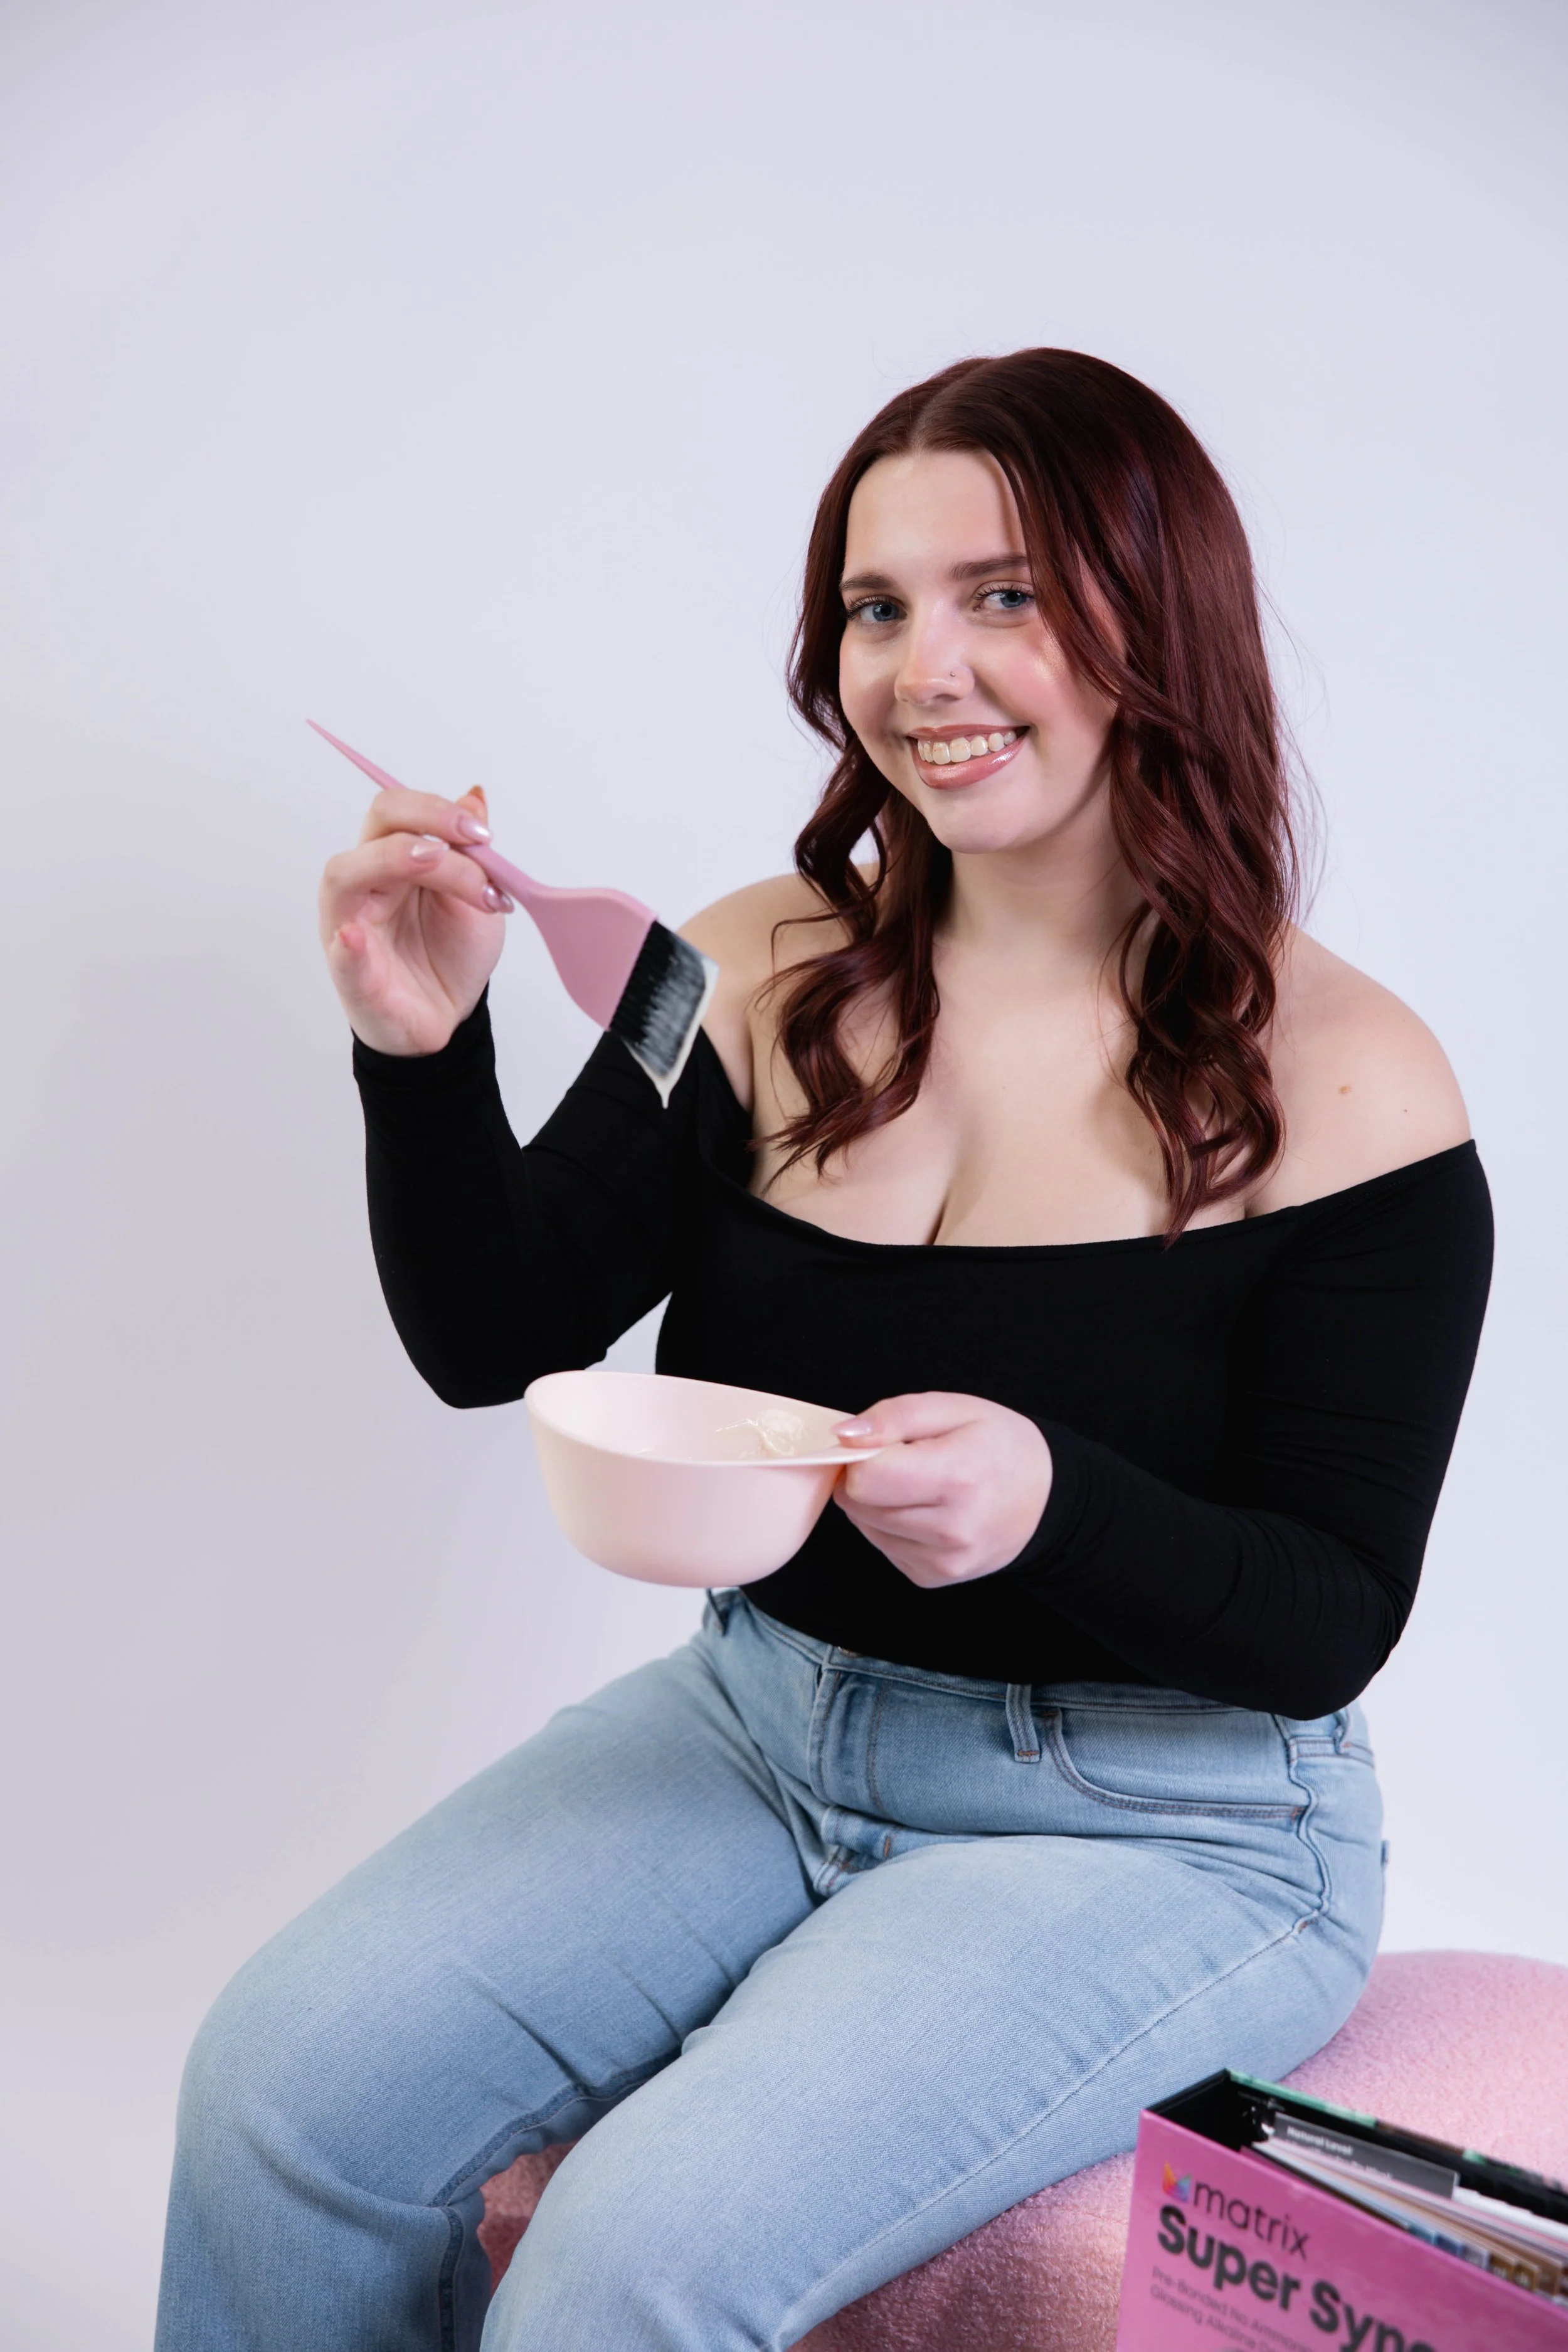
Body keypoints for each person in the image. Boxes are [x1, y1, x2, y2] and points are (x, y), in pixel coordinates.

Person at [156, 350, 1492, 2352]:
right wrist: (420, 1048)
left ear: (1162, 621)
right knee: (282, 2095)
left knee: (627, 2267)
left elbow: (1324, 1615)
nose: (922, 667)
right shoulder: (758, 964)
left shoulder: (1351, 1077)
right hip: (760, 1726)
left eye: (1004, 595)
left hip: (1164, 1824)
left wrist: (1053, 1504)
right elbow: (490, 1334)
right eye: (877, 609)